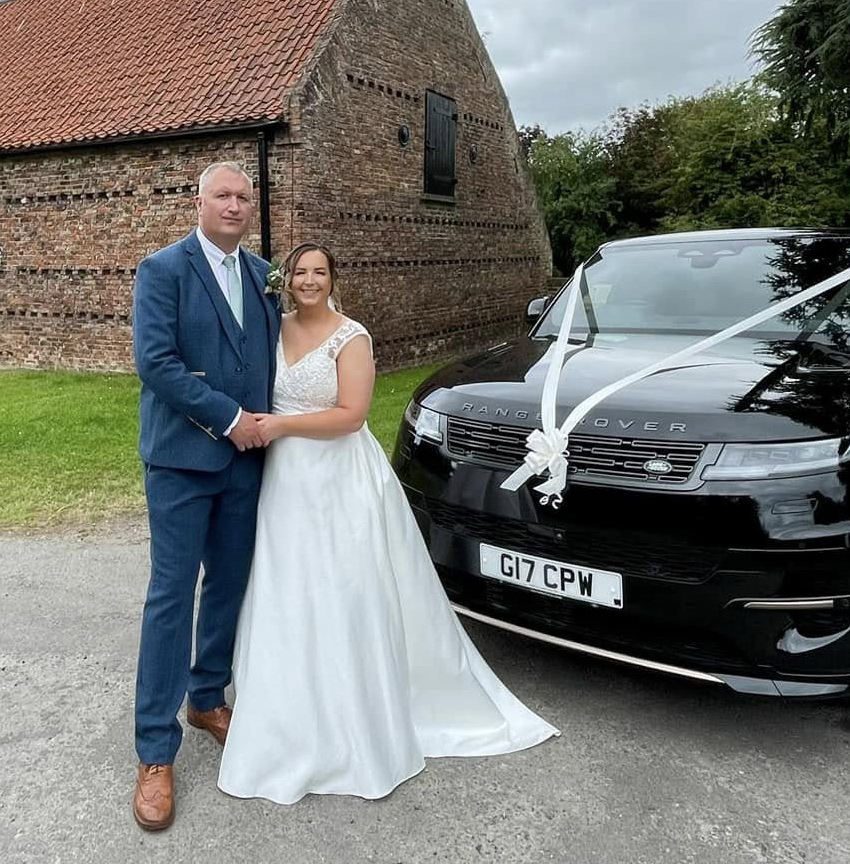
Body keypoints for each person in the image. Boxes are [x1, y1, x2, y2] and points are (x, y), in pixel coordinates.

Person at [217, 242, 559, 804]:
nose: (308, 281)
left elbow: (352, 416)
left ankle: (356, 719)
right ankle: (286, 714)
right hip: (284, 483)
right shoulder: (271, 328)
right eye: (299, 272)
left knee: (345, 589)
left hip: (335, 476)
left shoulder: (351, 336)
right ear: (286, 280)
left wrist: (279, 426)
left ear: (333, 279)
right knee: (288, 588)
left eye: (318, 272)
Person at [129, 161, 280, 831]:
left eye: (244, 196)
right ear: (198, 202)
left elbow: (279, 358)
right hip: (183, 461)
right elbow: (156, 364)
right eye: (223, 194)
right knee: (170, 595)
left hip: (248, 462)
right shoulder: (162, 270)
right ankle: (155, 754)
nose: (235, 205)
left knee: (227, 586)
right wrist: (229, 418)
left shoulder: (264, 274)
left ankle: (207, 699)